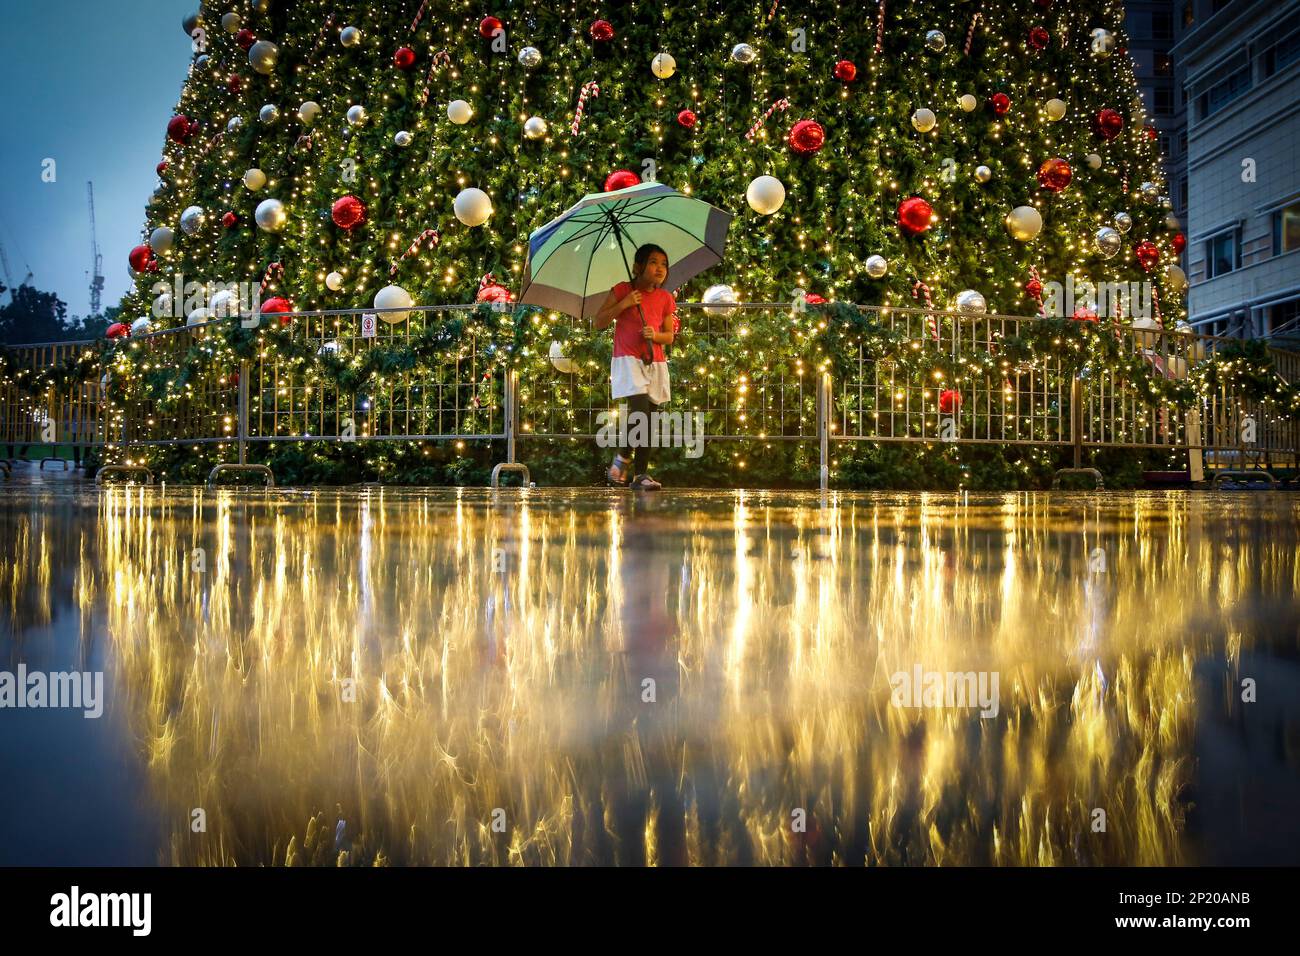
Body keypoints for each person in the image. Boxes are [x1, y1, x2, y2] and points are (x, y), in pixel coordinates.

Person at [593, 244, 679, 490]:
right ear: (638, 267)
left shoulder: (665, 298)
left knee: (648, 419)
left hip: (655, 361)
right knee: (639, 410)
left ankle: (639, 474)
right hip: (628, 359)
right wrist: (625, 303)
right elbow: (599, 321)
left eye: (664, 264)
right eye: (653, 262)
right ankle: (625, 458)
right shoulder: (622, 290)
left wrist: (655, 335)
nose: (660, 268)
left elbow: (669, 336)